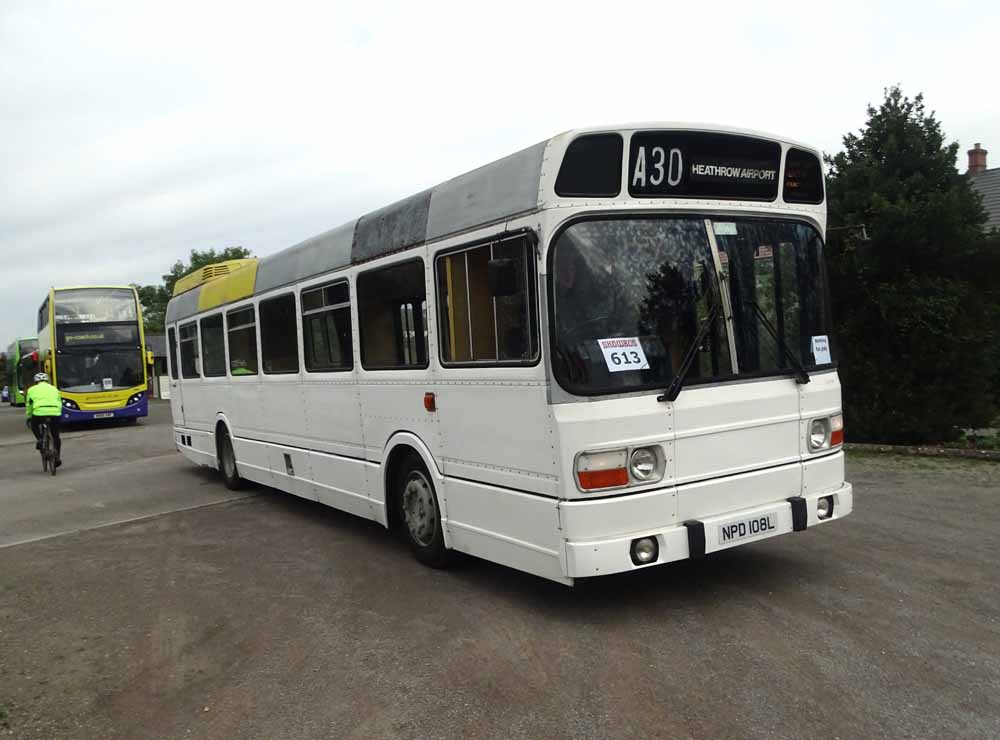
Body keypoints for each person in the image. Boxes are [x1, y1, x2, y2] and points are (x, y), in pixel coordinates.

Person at [26, 372, 62, 467]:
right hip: (55, 412)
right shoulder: (54, 389)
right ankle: (57, 456)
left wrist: (29, 416)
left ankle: (40, 439)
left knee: (34, 425)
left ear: (35, 381)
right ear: (47, 381)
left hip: (39, 412)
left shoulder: (31, 390)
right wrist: (58, 413)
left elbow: (29, 404)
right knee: (56, 436)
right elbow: (59, 402)